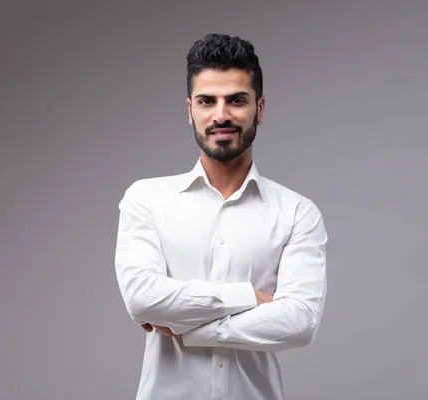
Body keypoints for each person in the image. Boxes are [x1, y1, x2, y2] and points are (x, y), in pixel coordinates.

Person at [114, 33, 328, 400]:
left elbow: (300, 322)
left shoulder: (297, 213)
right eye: (207, 101)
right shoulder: (146, 199)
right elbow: (141, 298)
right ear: (189, 110)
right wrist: (250, 298)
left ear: (260, 108)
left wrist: (188, 328)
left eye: (236, 100)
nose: (221, 115)